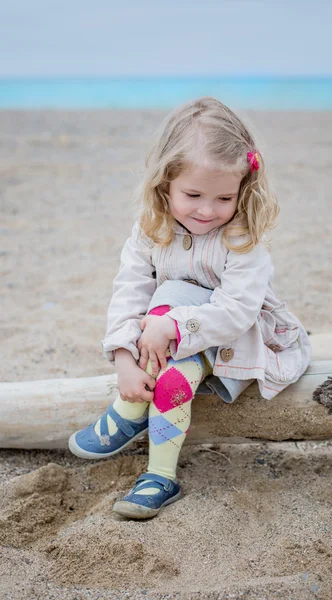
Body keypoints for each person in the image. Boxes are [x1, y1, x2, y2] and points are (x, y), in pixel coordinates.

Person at [69, 96, 312, 519]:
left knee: (169, 305)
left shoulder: (243, 240)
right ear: (165, 183)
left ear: (243, 189)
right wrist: (125, 360)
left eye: (223, 198)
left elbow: (237, 311)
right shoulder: (151, 229)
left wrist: (174, 326)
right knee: (168, 354)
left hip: (234, 339)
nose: (206, 210)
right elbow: (128, 290)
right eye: (193, 194)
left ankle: (144, 447)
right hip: (168, 342)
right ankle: (154, 460)